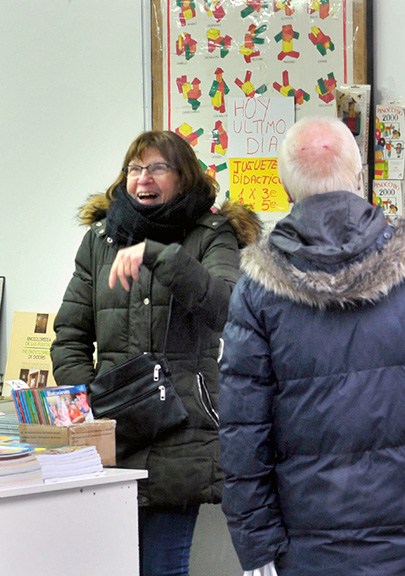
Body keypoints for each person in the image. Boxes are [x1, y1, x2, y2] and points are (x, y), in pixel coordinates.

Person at [218, 116, 405, 576]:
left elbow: (245, 432)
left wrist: (257, 548)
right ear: (360, 177)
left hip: (318, 546)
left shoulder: (257, 289)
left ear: (285, 188)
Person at [50, 130, 261, 576]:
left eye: (157, 168)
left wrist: (161, 257)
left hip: (182, 432)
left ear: (183, 177)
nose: (143, 178)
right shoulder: (102, 238)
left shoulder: (213, 234)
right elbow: (70, 330)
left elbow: (225, 308)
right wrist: (86, 400)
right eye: (135, 169)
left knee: (162, 569)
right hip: (111, 433)